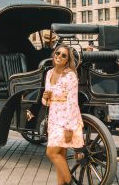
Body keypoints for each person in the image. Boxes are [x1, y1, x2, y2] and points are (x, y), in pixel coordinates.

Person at [42, 44, 84, 185]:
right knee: (60, 155)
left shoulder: (70, 76)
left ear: (67, 60)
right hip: (54, 119)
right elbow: (47, 102)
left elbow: (73, 103)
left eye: (63, 55)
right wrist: (45, 96)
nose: (59, 56)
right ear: (54, 55)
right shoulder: (49, 73)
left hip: (66, 120)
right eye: (57, 53)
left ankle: (70, 183)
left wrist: (69, 128)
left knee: (51, 153)